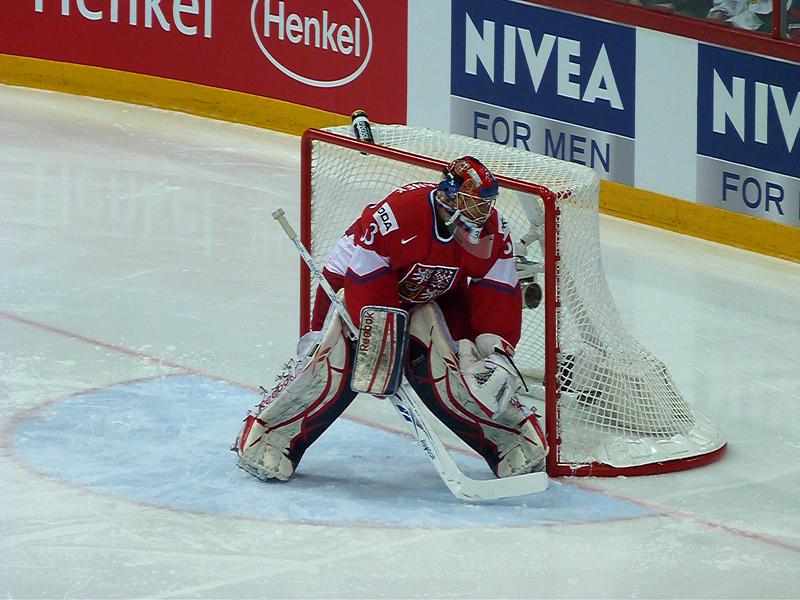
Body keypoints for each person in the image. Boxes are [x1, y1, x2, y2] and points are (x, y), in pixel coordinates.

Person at [232, 156, 547, 483]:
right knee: (332, 364)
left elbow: (497, 289)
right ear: (450, 193)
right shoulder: (400, 215)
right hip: (355, 286)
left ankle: (513, 443)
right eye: (474, 201)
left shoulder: (492, 230)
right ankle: (267, 437)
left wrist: (496, 350)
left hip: (436, 295)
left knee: (468, 367)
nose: (482, 211)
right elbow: (362, 276)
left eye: (486, 203)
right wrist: (379, 344)